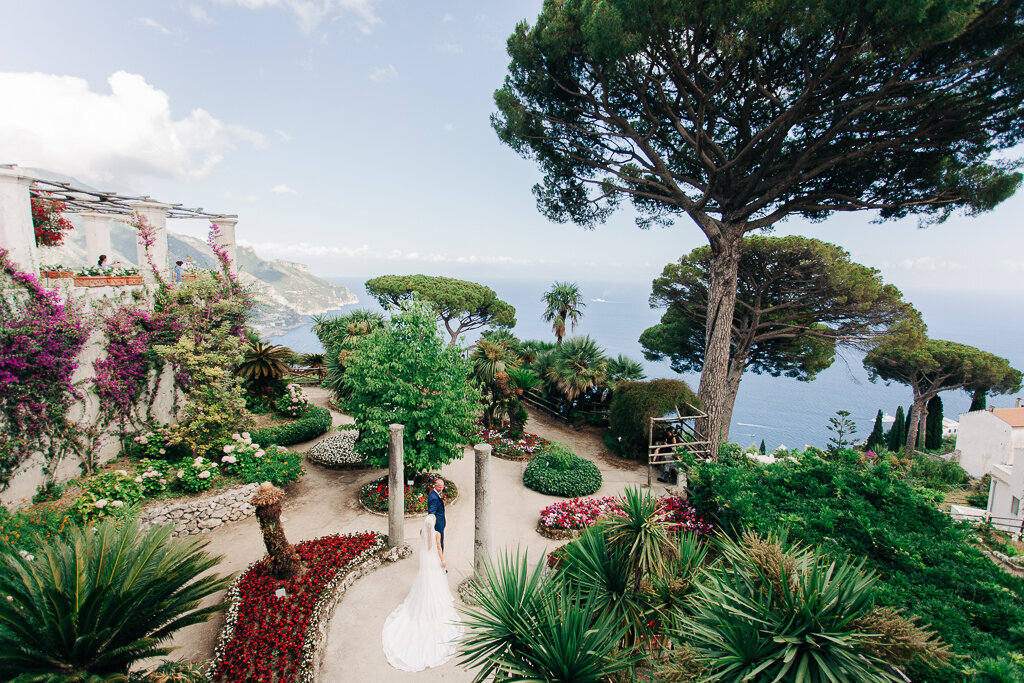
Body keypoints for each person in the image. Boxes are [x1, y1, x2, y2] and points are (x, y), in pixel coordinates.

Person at [381, 514, 462, 671]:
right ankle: (435, 606)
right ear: (433, 524)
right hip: (433, 561)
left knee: (425, 581)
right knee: (436, 582)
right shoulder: (437, 534)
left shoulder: (421, 532)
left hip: (425, 563)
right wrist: (443, 560)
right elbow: (438, 548)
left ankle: (424, 603)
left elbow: (424, 541)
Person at [426, 478, 446, 552]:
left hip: (439, 522)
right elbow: (432, 512)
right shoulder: (434, 497)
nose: (441, 489)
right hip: (437, 523)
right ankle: (440, 558)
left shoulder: (435, 494)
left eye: (442, 487)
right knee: (438, 541)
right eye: (439, 487)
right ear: (435, 486)